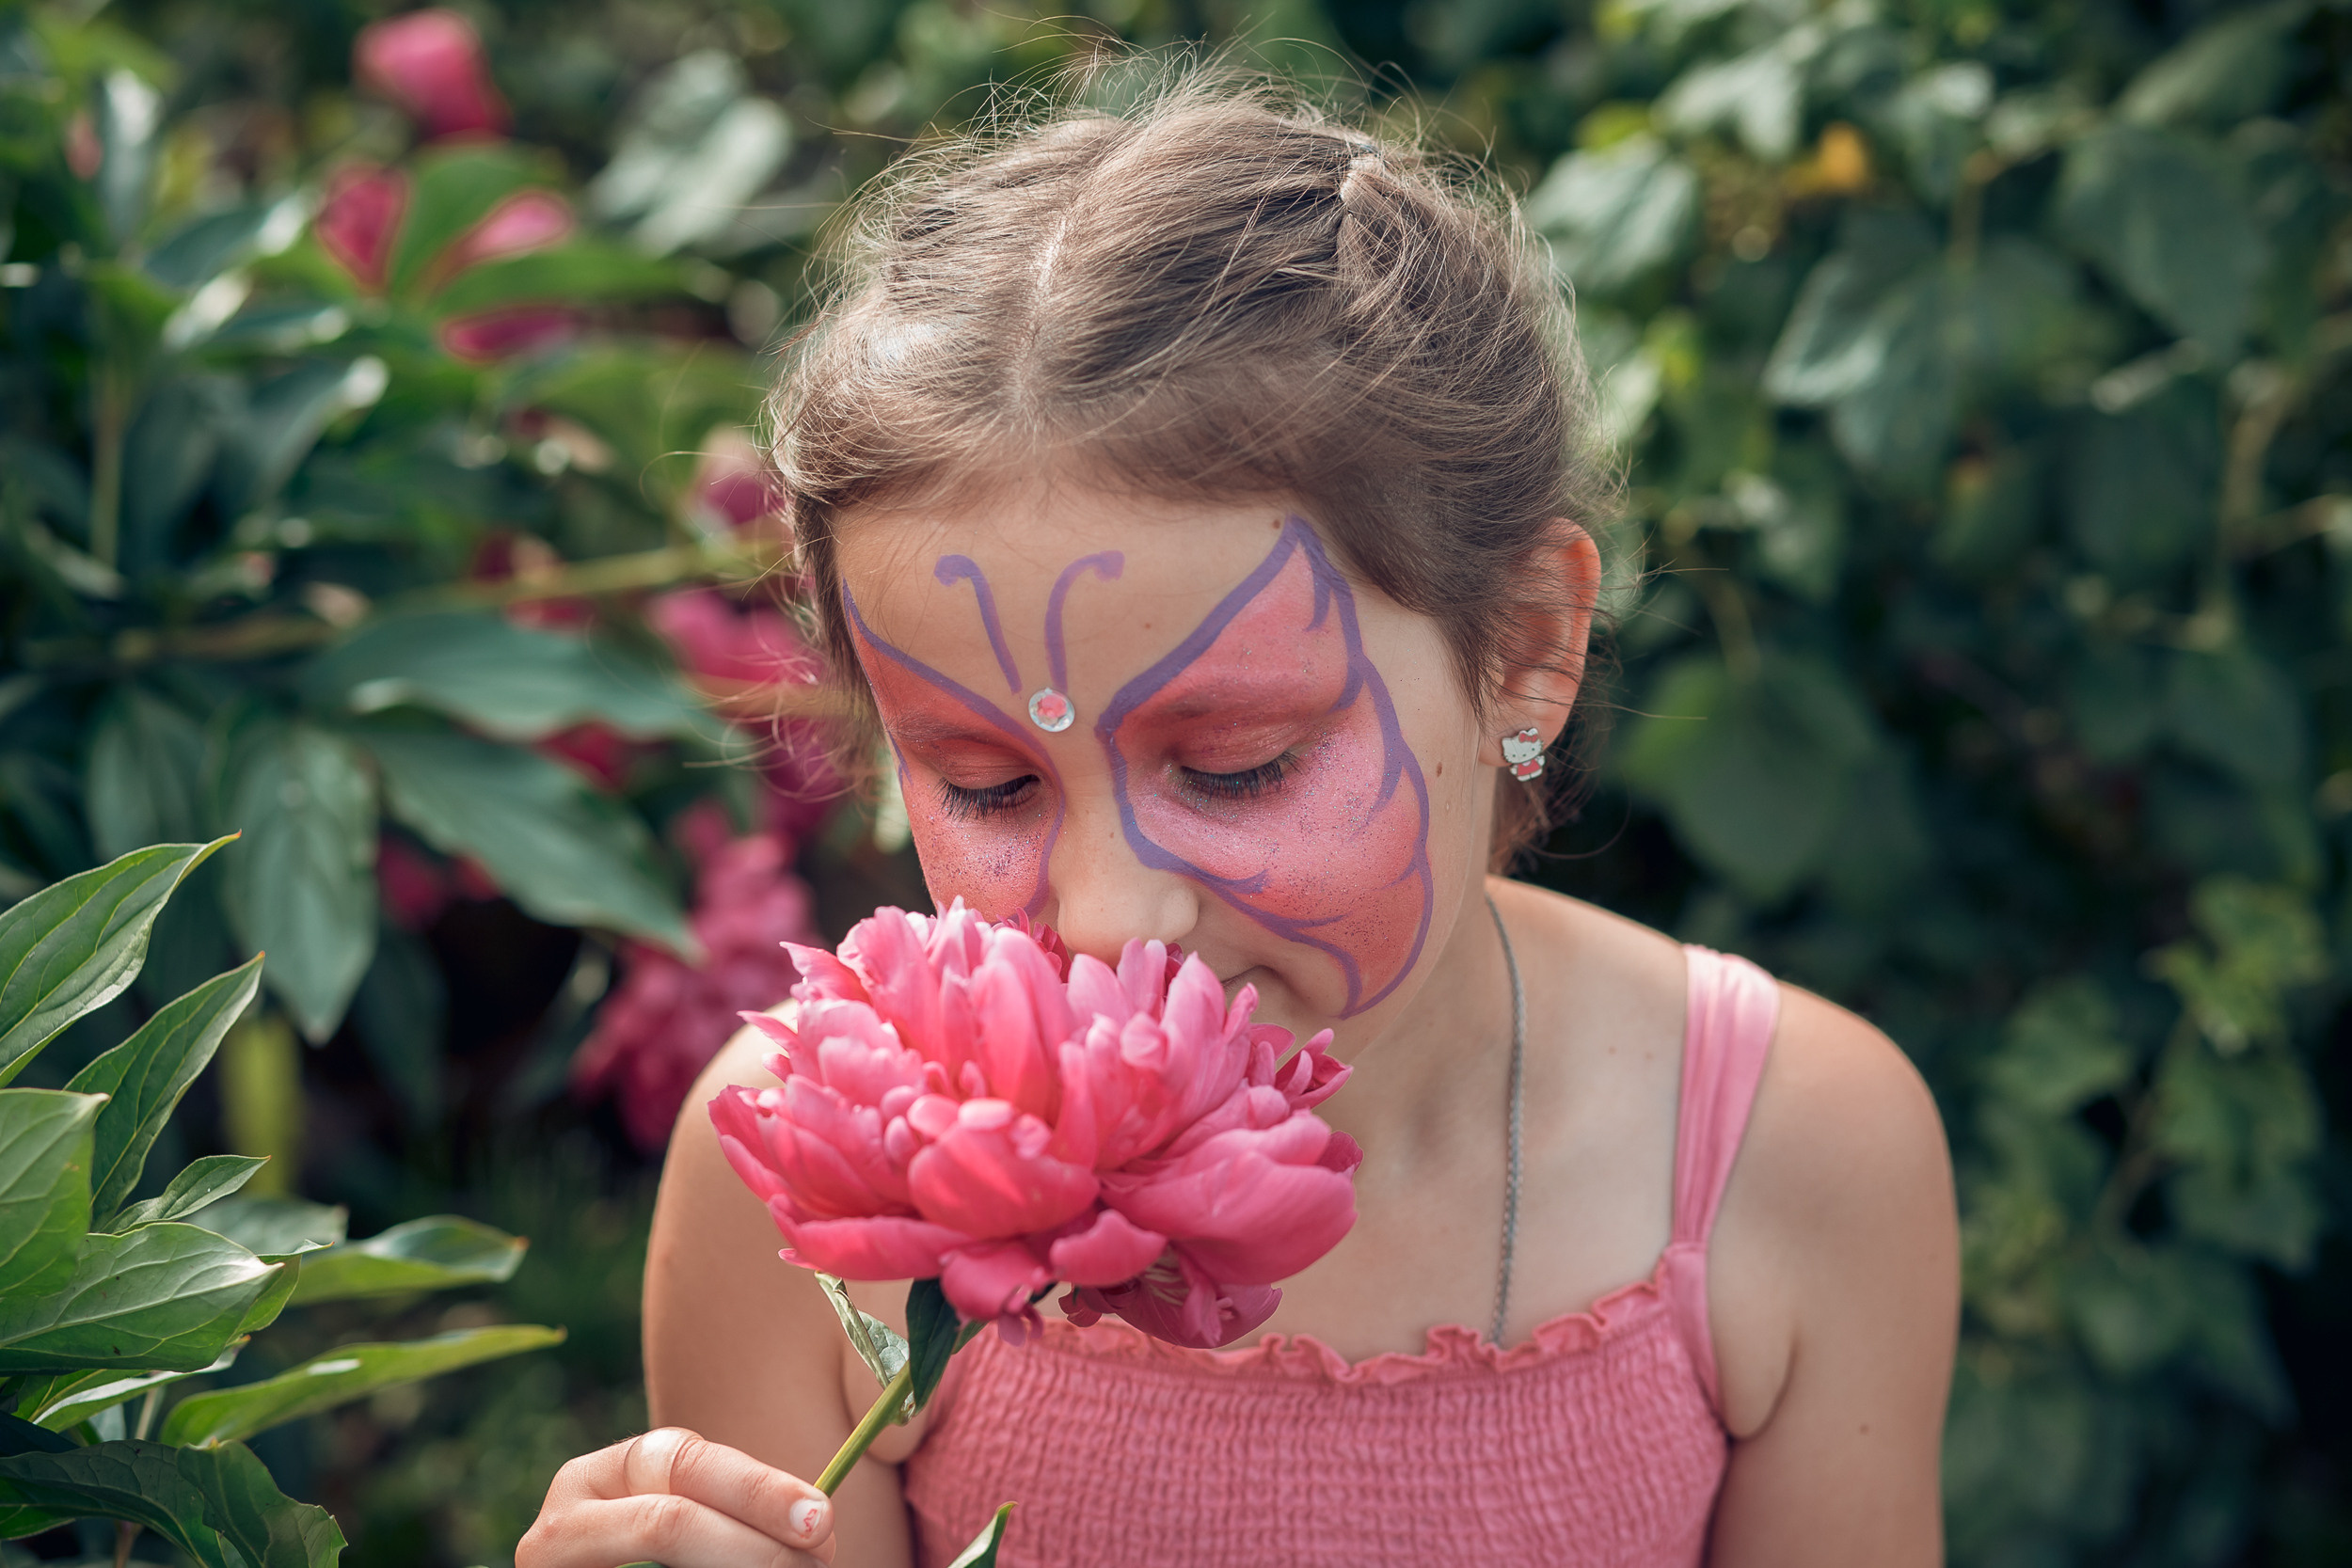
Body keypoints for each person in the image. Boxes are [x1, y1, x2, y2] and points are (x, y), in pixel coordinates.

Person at [518, 63, 1958, 1568]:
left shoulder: (1784, 1159)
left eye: (1239, 764)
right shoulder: (803, 1172)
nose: (1108, 915)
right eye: (987, 784)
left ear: (1526, 647)